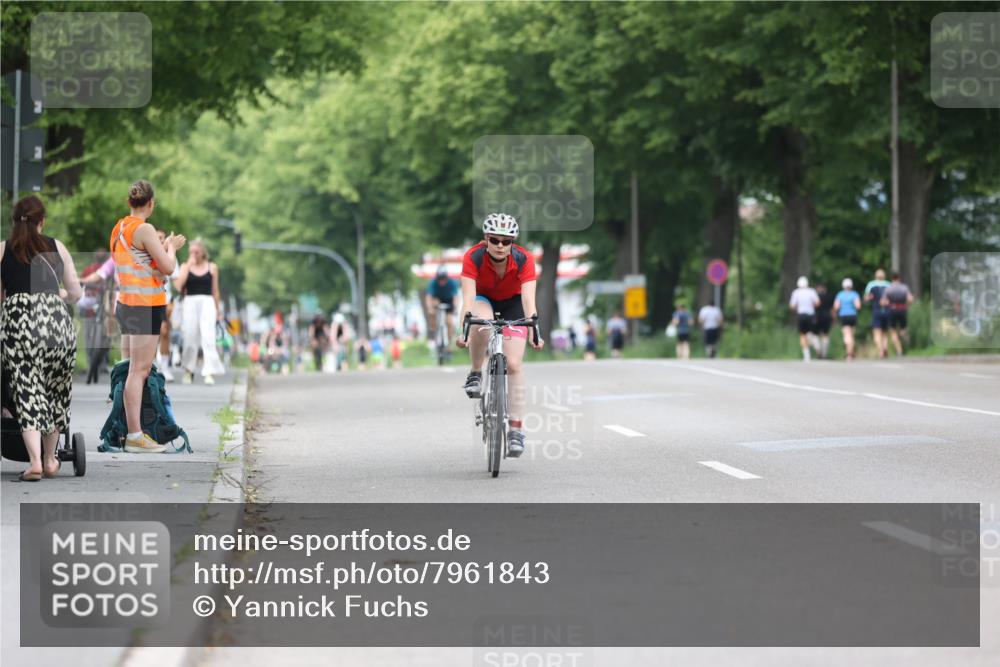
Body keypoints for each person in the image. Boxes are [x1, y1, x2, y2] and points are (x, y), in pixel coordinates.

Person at [0, 196, 82, 480]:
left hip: (20, 323)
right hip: (57, 324)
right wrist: (58, 294)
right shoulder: (57, 247)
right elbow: (76, 293)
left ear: (14, 221)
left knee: (27, 389)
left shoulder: (3, 249)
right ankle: (49, 459)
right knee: (56, 389)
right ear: (42, 221)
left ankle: (34, 462)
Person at [457, 213, 544, 458]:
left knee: (514, 364)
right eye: (495, 240)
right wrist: (463, 331)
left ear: (512, 243)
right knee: (482, 322)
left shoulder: (524, 259)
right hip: (483, 298)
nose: (500, 246)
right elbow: (468, 300)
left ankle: (516, 429)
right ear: (486, 238)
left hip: (514, 303)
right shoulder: (473, 256)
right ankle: (476, 372)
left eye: (506, 242)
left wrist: (535, 332)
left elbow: (528, 301)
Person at [110, 180, 186, 453]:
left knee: (129, 368)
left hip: (127, 302)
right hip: (145, 305)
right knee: (139, 371)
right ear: (151, 203)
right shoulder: (145, 229)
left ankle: (127, 428)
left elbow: (138, 264)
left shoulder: (119, 228)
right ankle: (135, 435)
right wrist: (171, 247)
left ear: (130, 201)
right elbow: (168, 267)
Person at [174, 239, 225, 385]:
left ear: (203, 252)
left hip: (207, 302)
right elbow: (178, 286)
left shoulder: (212, 267)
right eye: (191, 252)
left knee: (208, 337)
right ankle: (188, 370)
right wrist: (188, 266)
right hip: (190, 302)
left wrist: (218, 310)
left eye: (196, 252)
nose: (194, 255)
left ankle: (209, 371)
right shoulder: (185, 266)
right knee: (190, 337)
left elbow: (215, 290)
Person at [79, 250, 112, 384]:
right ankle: (101, 364)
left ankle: (92, 363)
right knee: (105, 337)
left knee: (90, 337)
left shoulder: (89, 270)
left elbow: (81, 285)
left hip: (92, 308)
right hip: (101, 308)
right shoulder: (106, 269)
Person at [155, 229, 181, 381]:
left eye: (163, 238)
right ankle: (151, 366)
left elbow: (176, 278)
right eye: (158, 237)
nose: (161, 240)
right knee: (151, 334)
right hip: (149, 298)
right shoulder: (148, 253)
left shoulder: (170, 255)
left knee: (164, 332)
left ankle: (165, 367)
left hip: (165, 300)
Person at [881, 272, 914, 356]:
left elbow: (883, 302)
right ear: (899, 278)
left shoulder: (888, 288)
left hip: (892, 310)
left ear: (892, 279)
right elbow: (910, 299)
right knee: (903, 329)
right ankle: (909, 345)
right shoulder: (904, 287)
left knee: (893, 331)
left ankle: (899, 350)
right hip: (902, 309)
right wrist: (907, 305)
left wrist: (887, 304)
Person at [426, 265, 459, 346]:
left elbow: (456, 297)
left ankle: (449, 344)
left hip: (449, 301)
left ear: (446, 277)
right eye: (439, 279)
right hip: (438, 299)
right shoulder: (433, 282)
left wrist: (455, 307)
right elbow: (429, 297)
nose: (441, 281)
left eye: (443, 278)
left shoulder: (452, 282)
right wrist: (430, 308)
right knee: (432, 311)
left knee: (449, 322)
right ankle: (433, 330)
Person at [789, 276, 820, 362]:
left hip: (801, 315)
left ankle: (807, 356)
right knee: (810, 333)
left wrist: (797, 308)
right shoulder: (812, 291)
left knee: (802, 335)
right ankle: (815, 344)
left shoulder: (796, 292)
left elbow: (792, 306)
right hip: (811, 315)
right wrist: (811, 306)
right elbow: (817, 303)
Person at [864, 268, 891, 358]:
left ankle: (881, 351)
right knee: (885, 332)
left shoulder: (871, 285)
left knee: (876, 333)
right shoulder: (888, 284)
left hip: (877, 310)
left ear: (875, 276)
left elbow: (867, 298)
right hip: (887, 311)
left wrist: (868, 299)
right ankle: (885, 347)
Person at [833, 278, 862, 360]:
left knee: (846, 334)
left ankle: (848, 352)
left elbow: (836, 307)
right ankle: (850, 352)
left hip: (844, 316)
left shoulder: (840, 295)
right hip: (853, 315)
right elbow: (858, 306)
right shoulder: (854, 294)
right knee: (851, 334)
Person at [814, 283, 834, 360]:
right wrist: (833, 318)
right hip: (827, 317)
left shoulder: (815, 297)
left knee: (815, 334)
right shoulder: (829, 296)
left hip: (817, 317)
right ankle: (824, 353)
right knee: (825, 335)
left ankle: (818, 349)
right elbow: (832, 309)